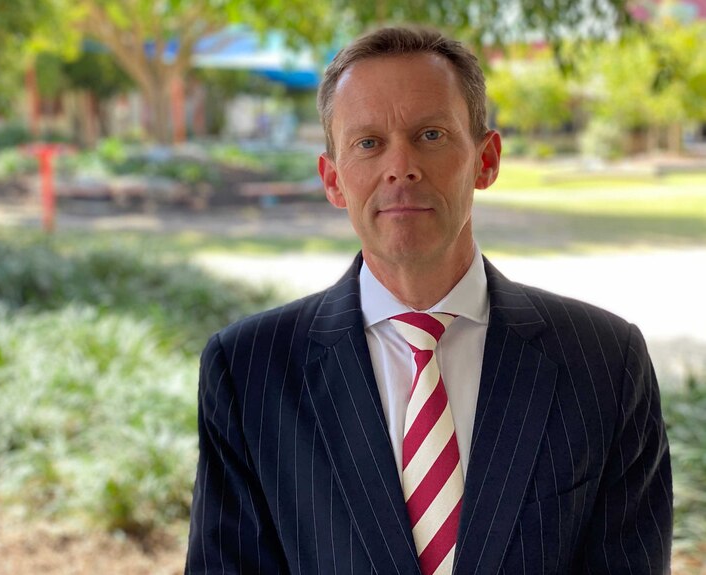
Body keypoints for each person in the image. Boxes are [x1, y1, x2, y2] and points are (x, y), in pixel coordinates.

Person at [185, 26, 672, 575]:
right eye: (368, 143)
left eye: (431, 135)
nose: (401, 167)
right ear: (333, 179)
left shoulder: (604, 362)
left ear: (486, 160)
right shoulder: (249, 369)